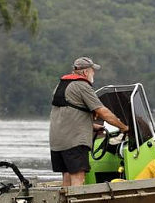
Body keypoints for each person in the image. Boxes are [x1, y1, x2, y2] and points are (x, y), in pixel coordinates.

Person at [49, 57, 129, 187]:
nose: (94, 73)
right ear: (85, 72)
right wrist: (123, 126)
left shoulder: (61, 85)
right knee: (78, 177)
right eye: (93, 70)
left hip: (57, 141)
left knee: (67, 175)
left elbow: (67, 114)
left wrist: (91, 126)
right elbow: (102, 111)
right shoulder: (82, 85)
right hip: (74, 141)